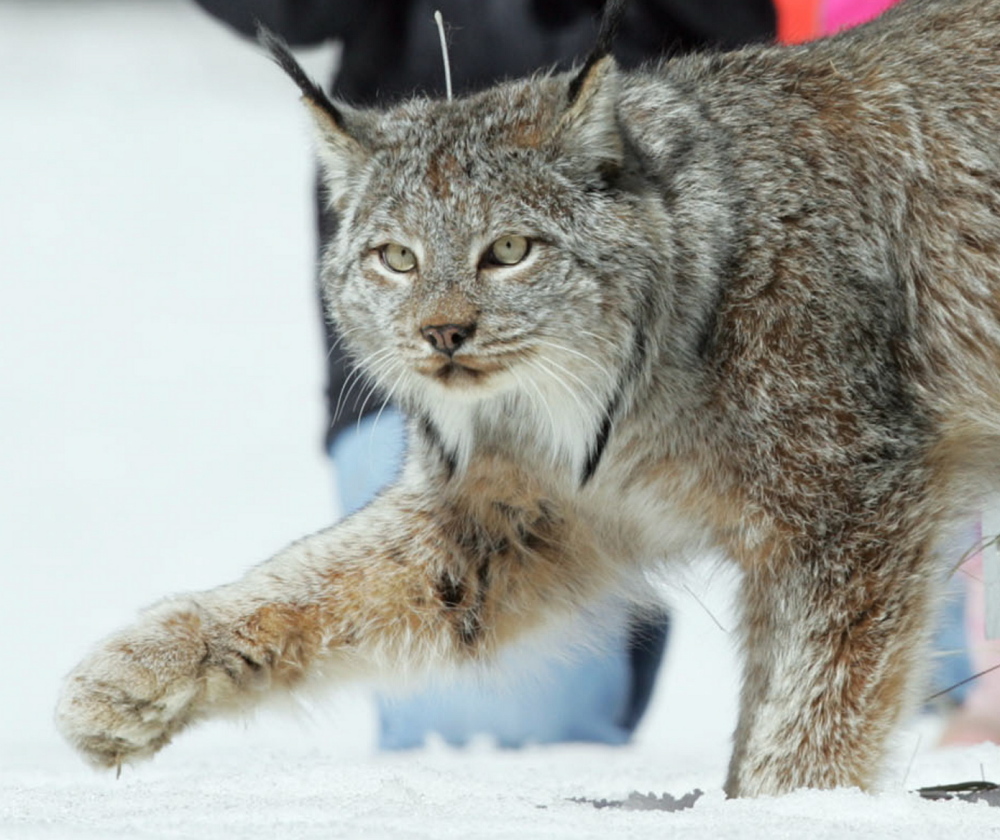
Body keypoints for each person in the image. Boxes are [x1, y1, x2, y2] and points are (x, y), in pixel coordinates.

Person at [190, 0, 777, 750]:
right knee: (494, 731)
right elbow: (288, 16)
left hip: (726, 308)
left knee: (908, 655)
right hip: (426, 359)